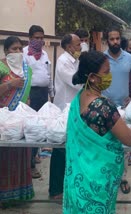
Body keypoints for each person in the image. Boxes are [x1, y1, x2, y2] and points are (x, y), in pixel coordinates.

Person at [63, 50, 131, 214]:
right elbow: (129, 139)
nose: (110, 76)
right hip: (97, 182)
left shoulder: (79, 98)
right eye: (106, 72)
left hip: (78, 179)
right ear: (92, 77)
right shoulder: (103, 107)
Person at [102, 27, 131, 195]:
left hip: (124, 109)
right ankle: (106, 178)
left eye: (117, 38)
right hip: (104, 108)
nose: (115, 42)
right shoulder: (101, 59)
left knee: (123, 145)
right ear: (107, 41)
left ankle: (122, 178)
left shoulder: (130, 59)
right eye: (112, 39)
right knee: (105, 144)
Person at [0, 36, 34, 207]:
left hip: (19, 123)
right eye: (14, 49)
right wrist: (10, 84)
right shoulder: (0, 66)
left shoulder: (27, 70)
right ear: (6, 51)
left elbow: (26, 96)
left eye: (21, 49)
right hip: (2, 124)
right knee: (3, 157)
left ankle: (19, 194)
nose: (18, 52)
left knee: (20, 156)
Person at [49, 34, 82, 200]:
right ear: (69, 46)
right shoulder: (63, 61)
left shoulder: (75, 61)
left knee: (71, 149)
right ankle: (55, 191)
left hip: (73, 109)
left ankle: (67, 187)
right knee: (60, 150)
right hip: (63, 109)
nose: (80, 46)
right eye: (78, 44)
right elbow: (75, 81)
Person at [23, 25, 54, 179]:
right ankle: (30, 165)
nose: (40, 40)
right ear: (30, 38)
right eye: (37, 38)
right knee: (30, 128)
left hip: (42, 94)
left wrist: (51, 94)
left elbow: (48, 75)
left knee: (40, 126)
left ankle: (34, 155)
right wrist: (26, 96)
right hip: (30, 95)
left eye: (42, 38)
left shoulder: (45, 55)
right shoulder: (23, 54)